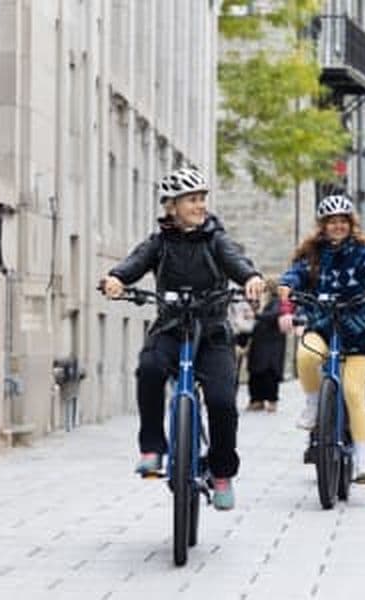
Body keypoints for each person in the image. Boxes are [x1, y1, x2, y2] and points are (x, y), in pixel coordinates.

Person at [101, 168, 264, 511]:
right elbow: (135, 262)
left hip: (212, 333)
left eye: (202, 198)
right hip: (172, 328)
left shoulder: (216, 239)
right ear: (172, 206)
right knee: (149, 368)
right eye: (192, 200)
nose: (200, 205)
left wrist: (250, 277)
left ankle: (222, 473)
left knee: (221, 401)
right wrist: (116, 278)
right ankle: (152, 448)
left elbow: (236, 261)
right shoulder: (159, 242)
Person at [278, 195, 365, 483]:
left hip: (358, 331)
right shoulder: (312, 253)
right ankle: (313, 403)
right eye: (332, 222)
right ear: (323, 226)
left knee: (354, 392)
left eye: (343, 221)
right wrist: (287, 285)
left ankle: (362, 461)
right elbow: (296, 273)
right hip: (323, 324)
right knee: (306, 356)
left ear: (351, 224)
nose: (338, 226)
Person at [246, 278, 287, 413]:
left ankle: (271, 400)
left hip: (271, 345)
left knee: (269, 373)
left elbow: (273, 315)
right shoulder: (262, 302)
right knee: (256, 372)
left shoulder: (276, 302)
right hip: (259, 343)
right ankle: (257, 400)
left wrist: (256, 316)